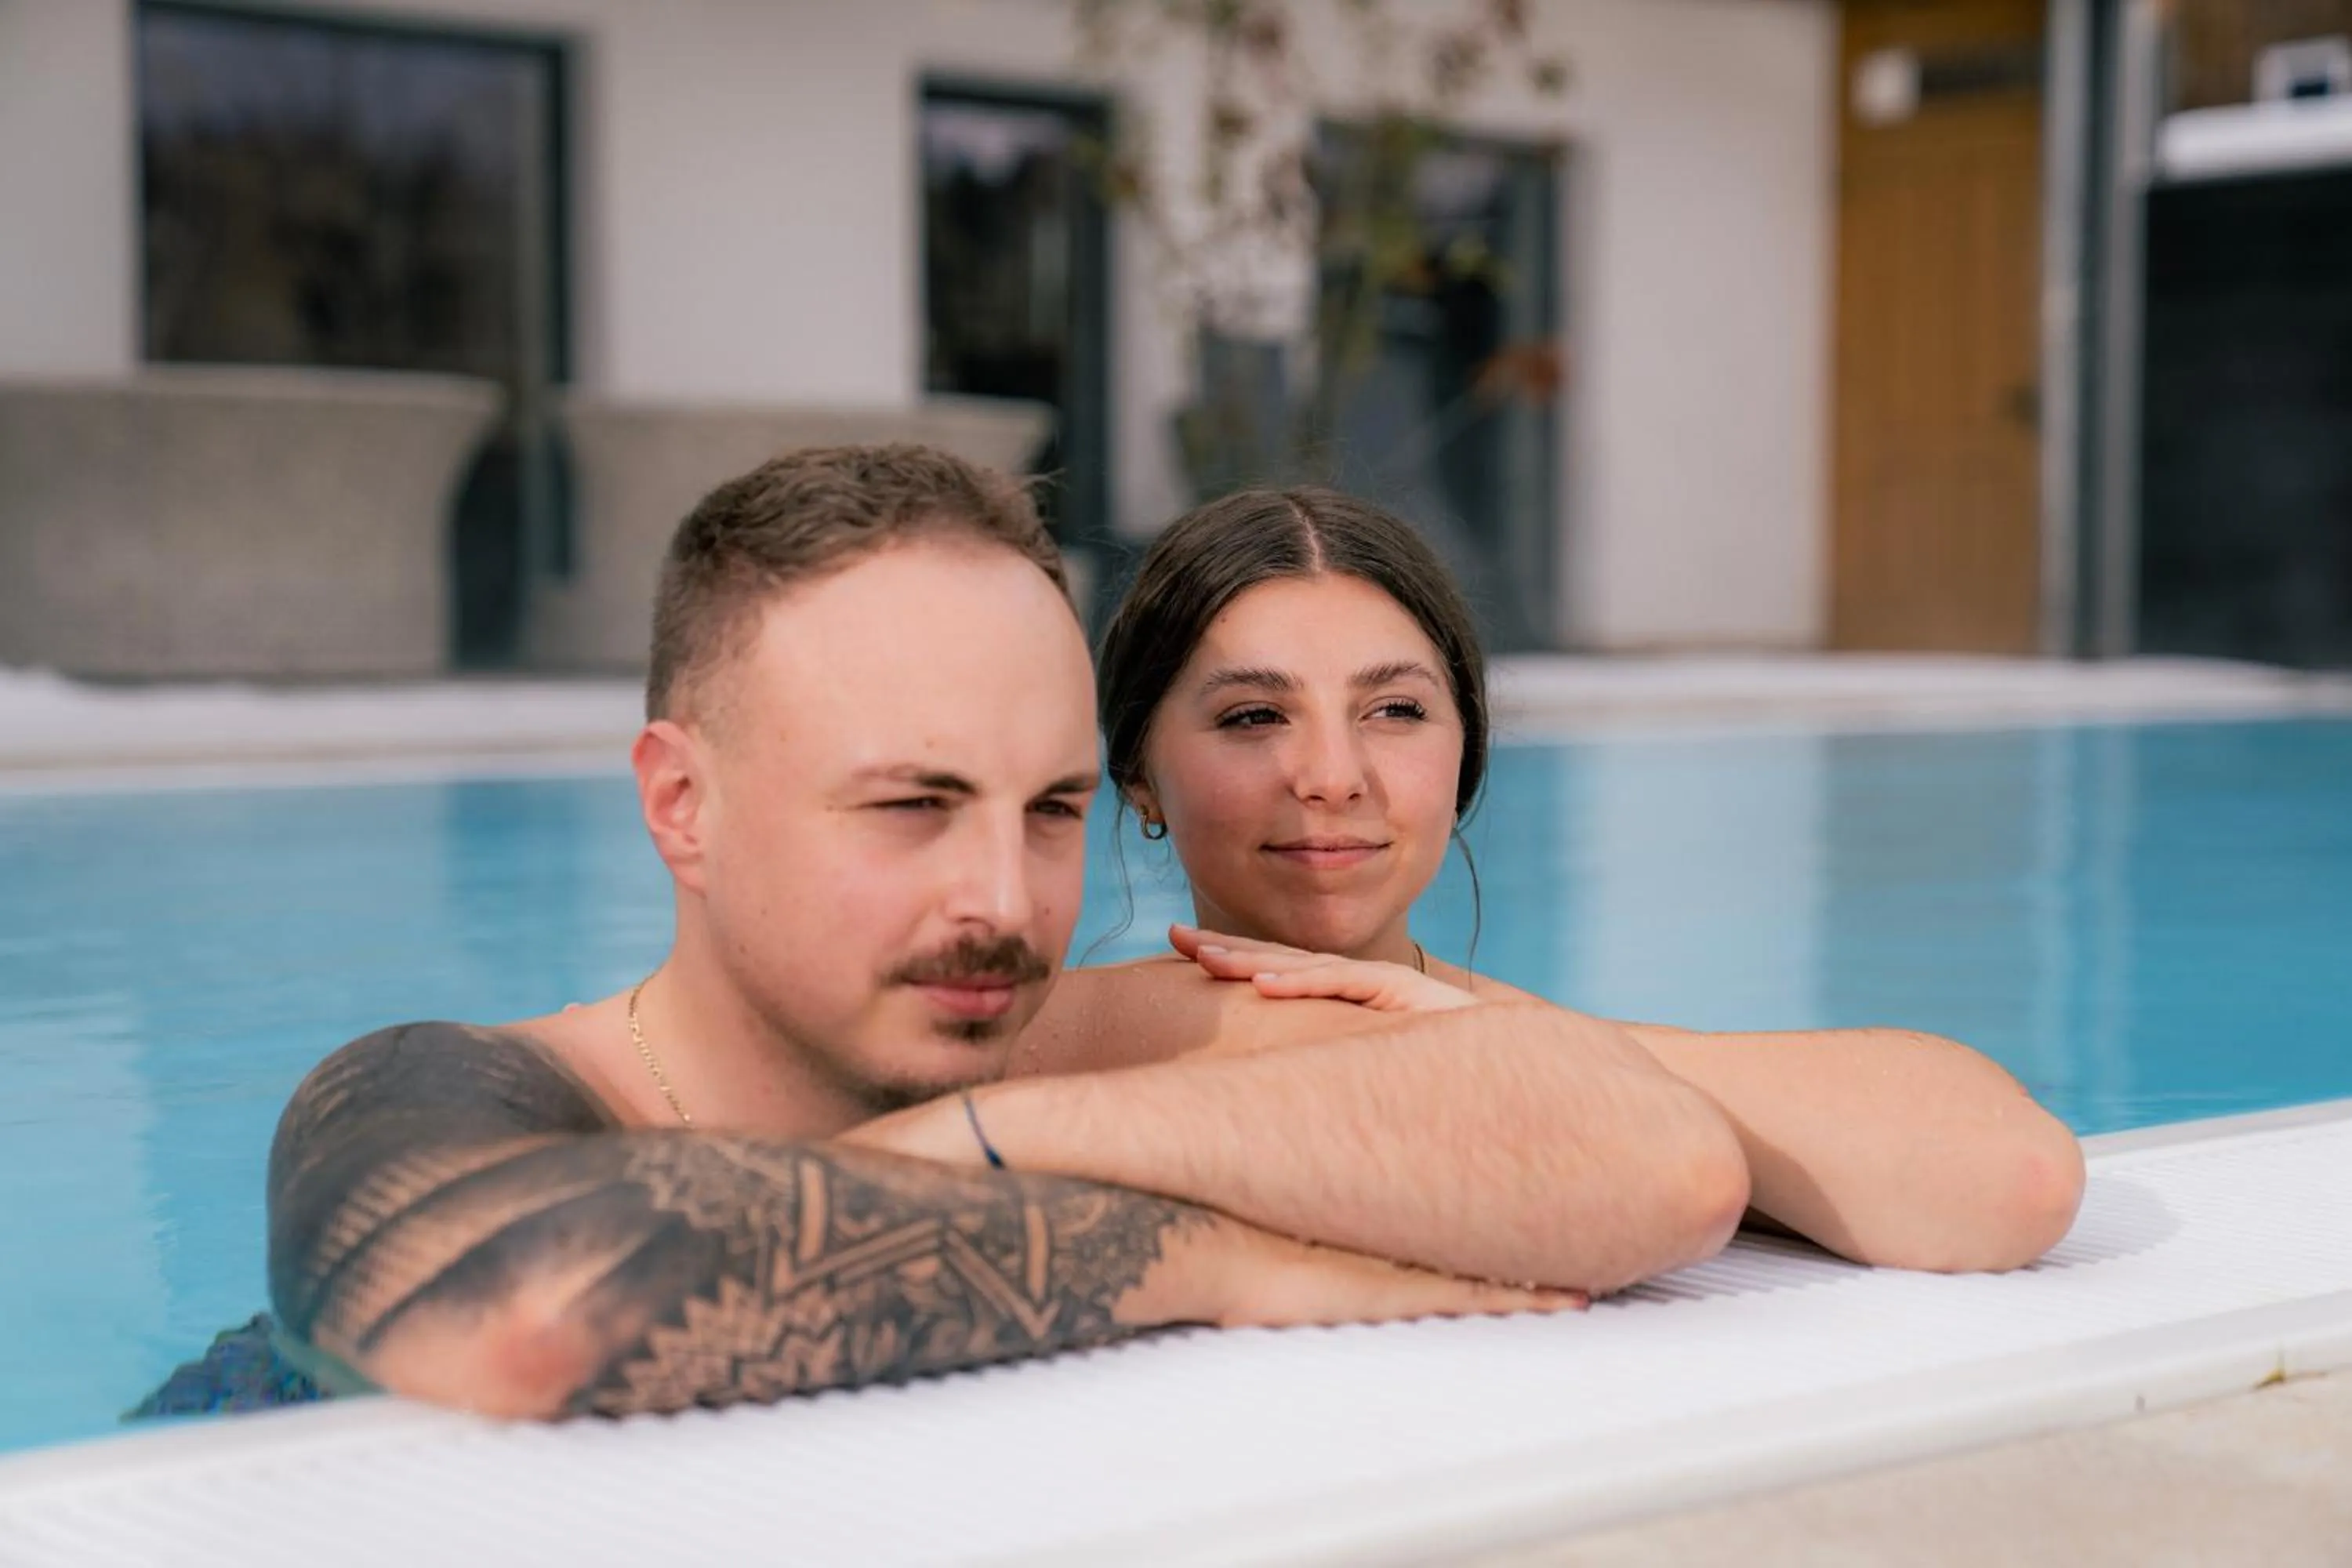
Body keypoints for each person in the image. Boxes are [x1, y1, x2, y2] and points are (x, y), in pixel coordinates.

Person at [241, 446, 1748, 1422]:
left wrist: (988, 1141)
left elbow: (1652, 1161)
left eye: (1048, 812)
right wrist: (1214, 1260)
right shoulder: (450, 1089)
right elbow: (538, 1312)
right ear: (683, 804)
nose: (1007, 906)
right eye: (913, 804)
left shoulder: (1087, 1048)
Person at [891, 486, 2086, 1276]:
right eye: (1253, 715)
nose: (1331, 774)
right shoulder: (1072, 1030)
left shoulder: (1517, 1045)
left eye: (1395, 712)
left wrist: (1470, 1028)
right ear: (1138, 774)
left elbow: (2016, 1177)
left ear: (1464, 758)